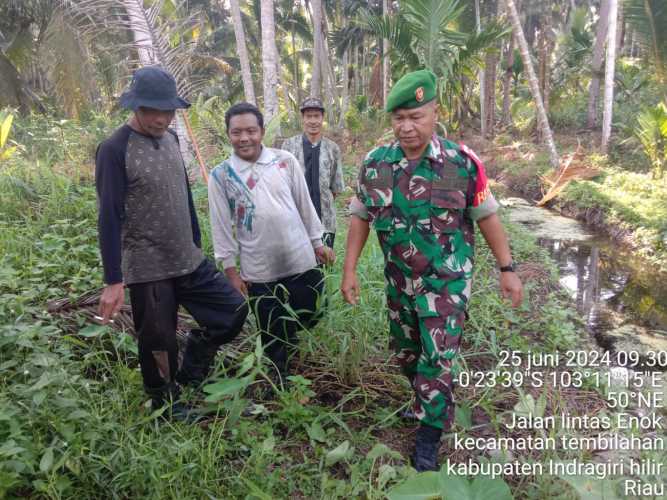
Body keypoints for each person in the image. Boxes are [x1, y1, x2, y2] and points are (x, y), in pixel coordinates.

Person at [340, 70, 523, 471]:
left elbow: (487, 216)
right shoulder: (376, 164)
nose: (407, 127)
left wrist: (507, 268)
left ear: (435, 112)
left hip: (446, 284)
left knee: (437, 358)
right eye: (399, 118)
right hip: (399, 284)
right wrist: (349, 270)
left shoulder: (460, 163)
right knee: (407, 354)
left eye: (416, 116)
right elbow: (359, 217)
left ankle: (428, 436)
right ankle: (424, 398)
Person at [95, 66, 248, 420]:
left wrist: (195, 242)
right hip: (148, 266)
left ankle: (192, 365)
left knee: (232, 311)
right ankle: (166, 406)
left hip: (188, 259)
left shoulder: (172, 139)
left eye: (169, 110)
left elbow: (181, 194)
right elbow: (109, 216)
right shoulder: (114, 149)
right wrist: (113, 279)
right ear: (136, 107)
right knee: (157, 341)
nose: (162, 118)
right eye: (154, 110)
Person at [208, 102, 335, 382]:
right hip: (259, 268)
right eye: (236, 132)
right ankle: (279, 378)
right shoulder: (221, 175)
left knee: (313, 311)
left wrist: (318, 243)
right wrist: (230, 270)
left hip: (300, 258)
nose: (244, 138)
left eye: (251, 131)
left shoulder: (284, 161)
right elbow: (219, 225)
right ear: (228, 134)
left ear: (262, 131)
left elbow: (304, 205)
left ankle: (293, 346)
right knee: (271, 329)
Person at [281, 97, 344, 249]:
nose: (313, 121)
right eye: (309, 116)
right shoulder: (288, 146)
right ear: (303, 118)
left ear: (322, 118)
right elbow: (281, 183)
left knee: (324, 268)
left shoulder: (332, 148)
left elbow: (335, 188)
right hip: (295, 221)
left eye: (317, 116)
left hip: (325, 222)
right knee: (300, 269)